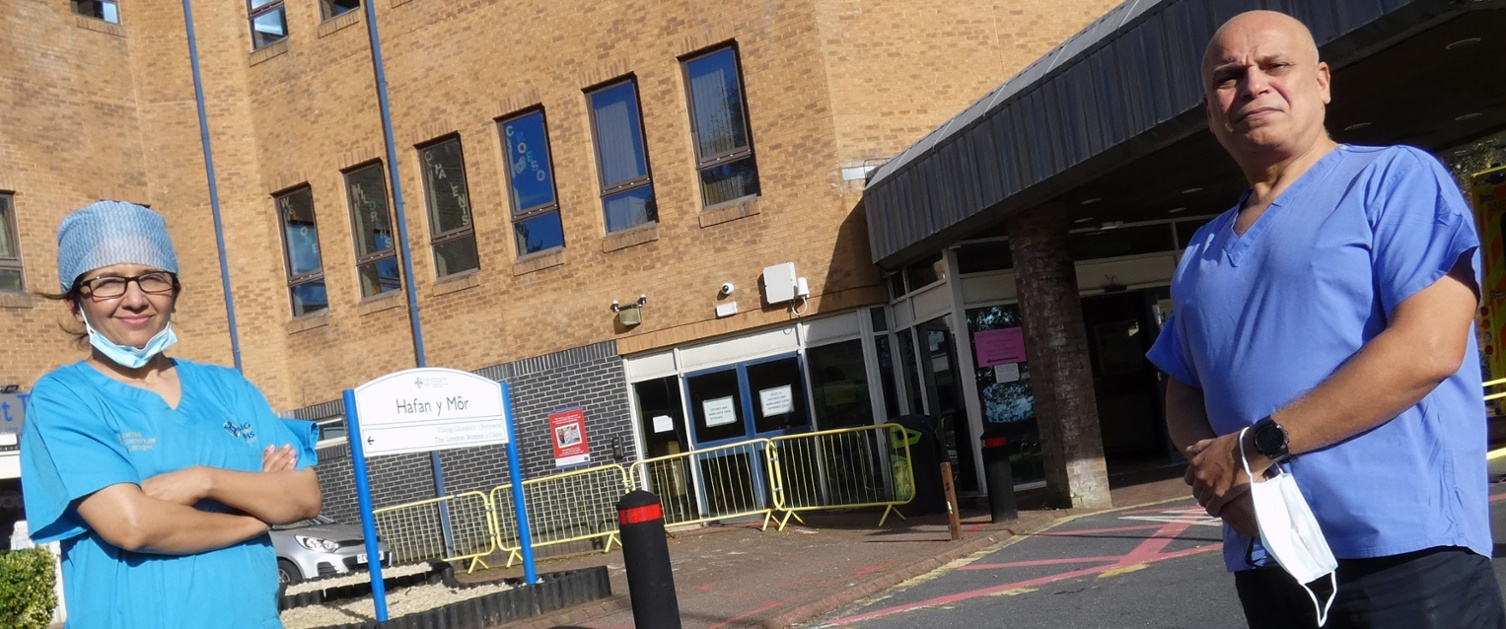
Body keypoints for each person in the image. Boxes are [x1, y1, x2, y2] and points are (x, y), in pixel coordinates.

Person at [1146, 10, 1504, 629]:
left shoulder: (1394, 180)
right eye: (1229, 76)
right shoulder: (1202, 251)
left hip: (1403, 553)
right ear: (1211, 108)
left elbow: (1429, 347)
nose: (1254, 84)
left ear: (1322, 82)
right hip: (1270, 558)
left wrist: (1256, 447)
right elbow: (1184, 382)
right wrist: (1217, 472)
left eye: (1275, 65)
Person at [20, 201, 322, 628]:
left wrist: (204, 480)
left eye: (152, 278)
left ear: (174, 291)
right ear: (75, 302)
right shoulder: (64, 398)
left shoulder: (228, 388)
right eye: (108, 283)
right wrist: (257, 513)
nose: (135, 299)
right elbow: (133, 526)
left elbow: (304, 495)